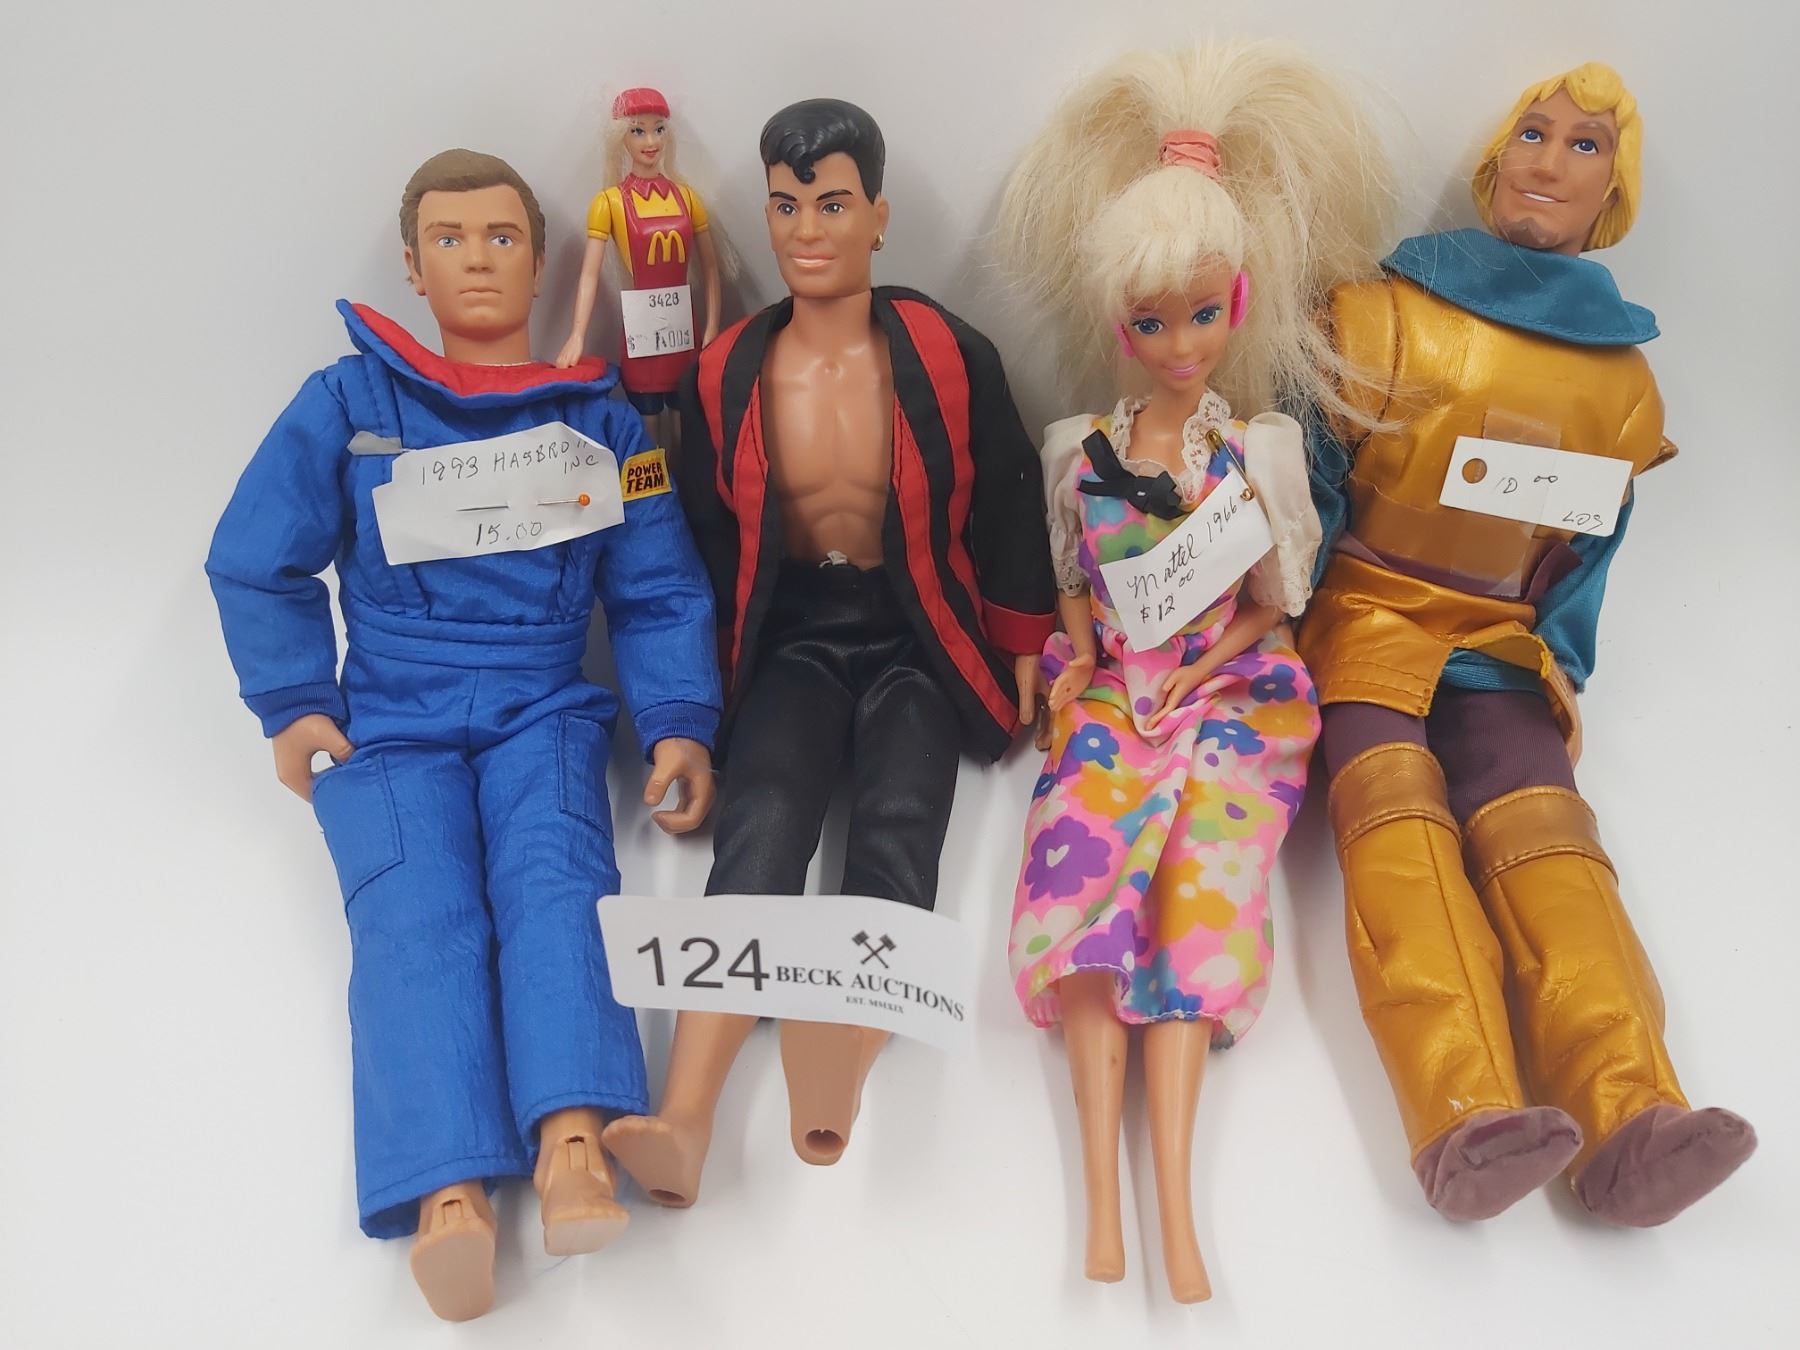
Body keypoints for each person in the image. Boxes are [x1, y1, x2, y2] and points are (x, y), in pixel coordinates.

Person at [205, 148, 721, 1320]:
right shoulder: (349, 404)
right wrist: (293, 699)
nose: (476, 261)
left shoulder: (603, 420)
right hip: (391, 718)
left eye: (501, 237)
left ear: (540, 264)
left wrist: (677, 722)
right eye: (449, 238)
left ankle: (574, 1138)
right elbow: (256, 556)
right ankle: (450, 1191)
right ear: (412, 264)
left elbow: (657, 588)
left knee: (559, 891)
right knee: (412, 922)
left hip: (544, 708)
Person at [1303, 63, 1757, 1225]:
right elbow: (1309, 491)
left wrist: (1562, 663)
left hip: (1497, 643)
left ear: (1616, 191)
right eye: (1534, 134)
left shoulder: (1625, 387)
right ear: (1493, 160)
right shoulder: (1380, 313)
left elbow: (1588, 552)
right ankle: (1463, 1116)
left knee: (1552, 844)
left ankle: (1632, 1118)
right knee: (1397, 828)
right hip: (1366, 617)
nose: (1550, 161)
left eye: (1586, 145)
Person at [601, 97, 1057, 1207]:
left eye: (834, 204)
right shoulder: (726, 372)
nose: (807, 230)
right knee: (761, 820)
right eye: (786, 206)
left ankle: (837, 1071)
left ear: (879, 216)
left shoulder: (948, 352)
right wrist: (686, 712)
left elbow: (1009, 499)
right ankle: (687, 1114)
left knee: (903, 821)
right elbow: (699, 544)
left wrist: (1025, 641)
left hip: (919, 628)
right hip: (795, 633)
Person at [996, 39, 1396, 1301]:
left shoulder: (1259, 452)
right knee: (1080, 889)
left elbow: (1276, 606)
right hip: (1115, 694)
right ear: (1118, 321)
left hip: (1227, 695)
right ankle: (1100, 1211)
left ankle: (1172, 1205)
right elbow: (1072, 575)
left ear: (1241, 300)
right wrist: (1081, 665)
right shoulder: (1079, 449)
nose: (1180, 344)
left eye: (1203, 314)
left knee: (1200, 904)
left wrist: (1201, 663)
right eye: (1152, 321)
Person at [556, 87, 723, 450]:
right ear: (622, 138)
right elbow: (589, 274)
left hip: (683, 332)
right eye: (638, 131)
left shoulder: (687, 197)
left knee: (685, 427)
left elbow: (712, 269)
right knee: (649, 429)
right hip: (642, 334)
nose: (650, 141)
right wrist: (577, 335)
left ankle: (685, 485)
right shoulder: (609, 202)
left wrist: (712, 328)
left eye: (658, 129)